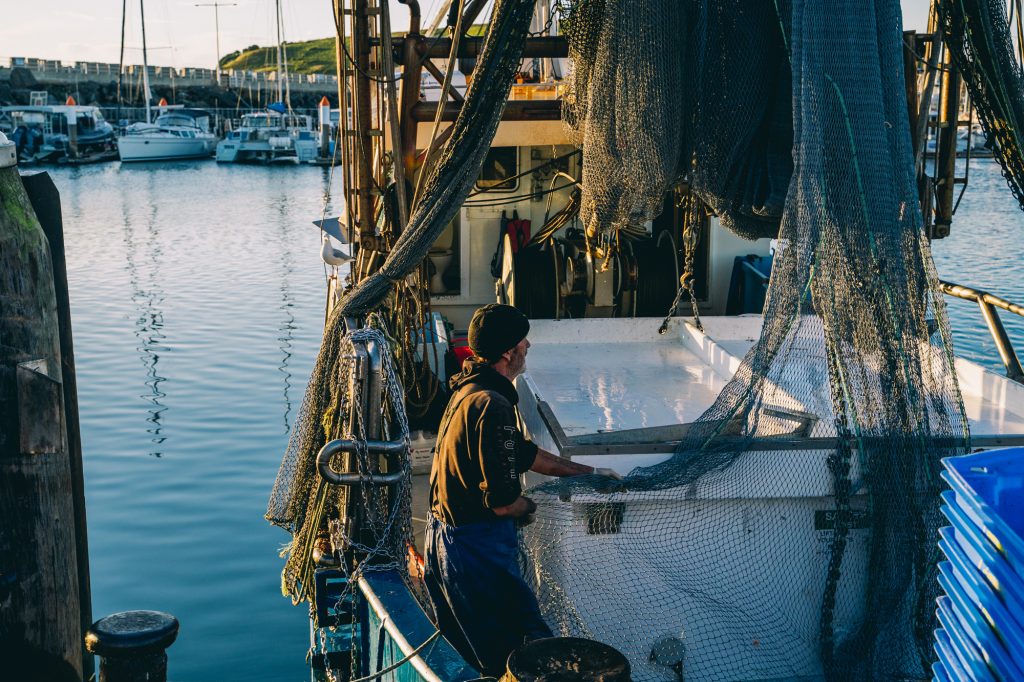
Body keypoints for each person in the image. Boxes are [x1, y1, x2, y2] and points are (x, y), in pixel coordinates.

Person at [423, 303, 619, 676]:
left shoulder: (470, 391)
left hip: (445, 540)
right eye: (522, 340)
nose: (528, 344)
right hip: (473, 550)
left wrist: (588, 472)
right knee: (518, 646)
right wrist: (530, 507)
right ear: (507, 352)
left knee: (467, 647)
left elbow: (523, 453)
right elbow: (501, 503)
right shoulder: (494, 406)